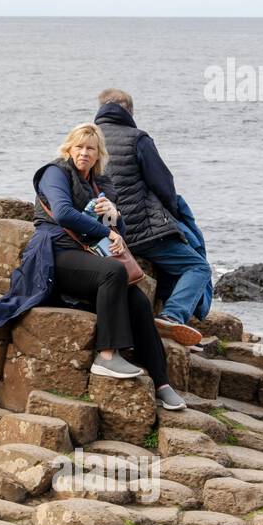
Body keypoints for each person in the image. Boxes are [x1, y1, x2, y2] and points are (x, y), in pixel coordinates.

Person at [0, 122, 188, 411]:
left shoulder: (101, 184)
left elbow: (118, 231)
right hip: (51, 255)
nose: (84, 152)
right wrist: (108, 233)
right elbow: (64, 213)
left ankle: (161, 383)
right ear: (69, 148)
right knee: (114, 272)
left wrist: (115, 218)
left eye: (90, 148)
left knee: (139, 301)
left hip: (85, 255)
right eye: (79, 146)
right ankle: (106, 356)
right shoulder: (54, 172)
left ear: (98, 155)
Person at [93, 89, 212, 347]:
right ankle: (172, 315)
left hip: (104, 232)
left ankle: (172, 322)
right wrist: (174, 214)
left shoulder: (87, 138)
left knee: (172, 265)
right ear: (129, 111)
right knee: (197, 266)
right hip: (141, 231)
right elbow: (164, 184)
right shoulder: (138, 139)